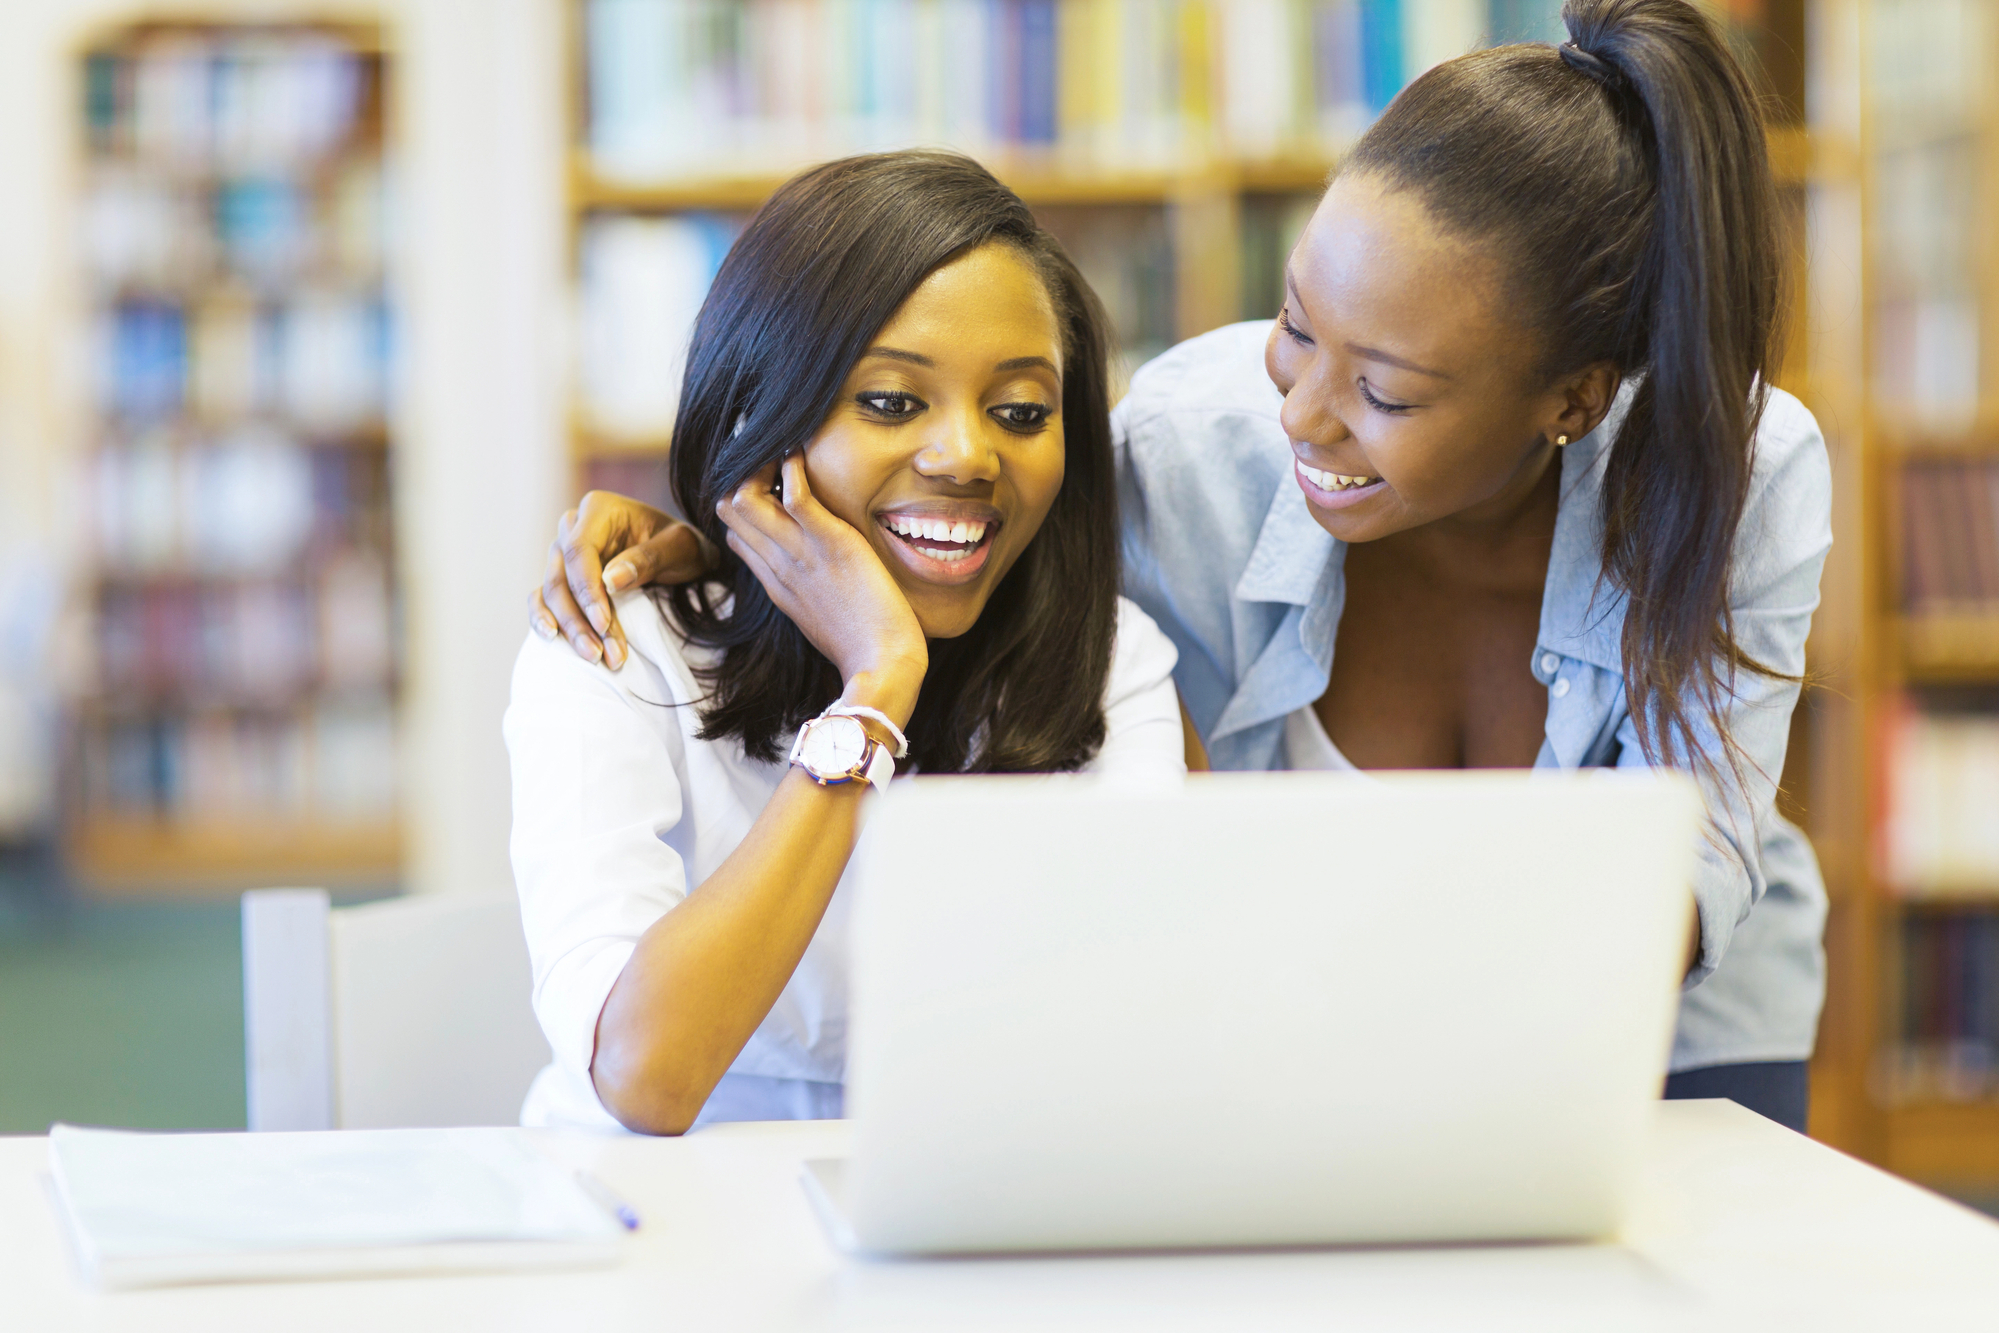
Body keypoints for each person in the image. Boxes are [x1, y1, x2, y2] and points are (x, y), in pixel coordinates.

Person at [534, 0, 1830, 1132]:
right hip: (1303, 1041)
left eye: (1379, 388)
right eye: (1291, 325)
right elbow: (965, 503)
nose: (1301, 415)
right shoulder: (1186, 442)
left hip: (1653, 1024)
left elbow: (1683, 865)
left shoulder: (1744, 472)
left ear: (1569, 398)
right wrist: (722, 538)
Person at [506, 151, 1187, 1136]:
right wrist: (872, 694)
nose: (966, 456)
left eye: (1021, 411)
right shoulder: (613, 646)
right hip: (649, 1217)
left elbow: (1133, 1034)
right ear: (759, 415)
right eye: (889, 401)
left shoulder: (1110, 662)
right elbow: (648, 1076)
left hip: (972, 1203)